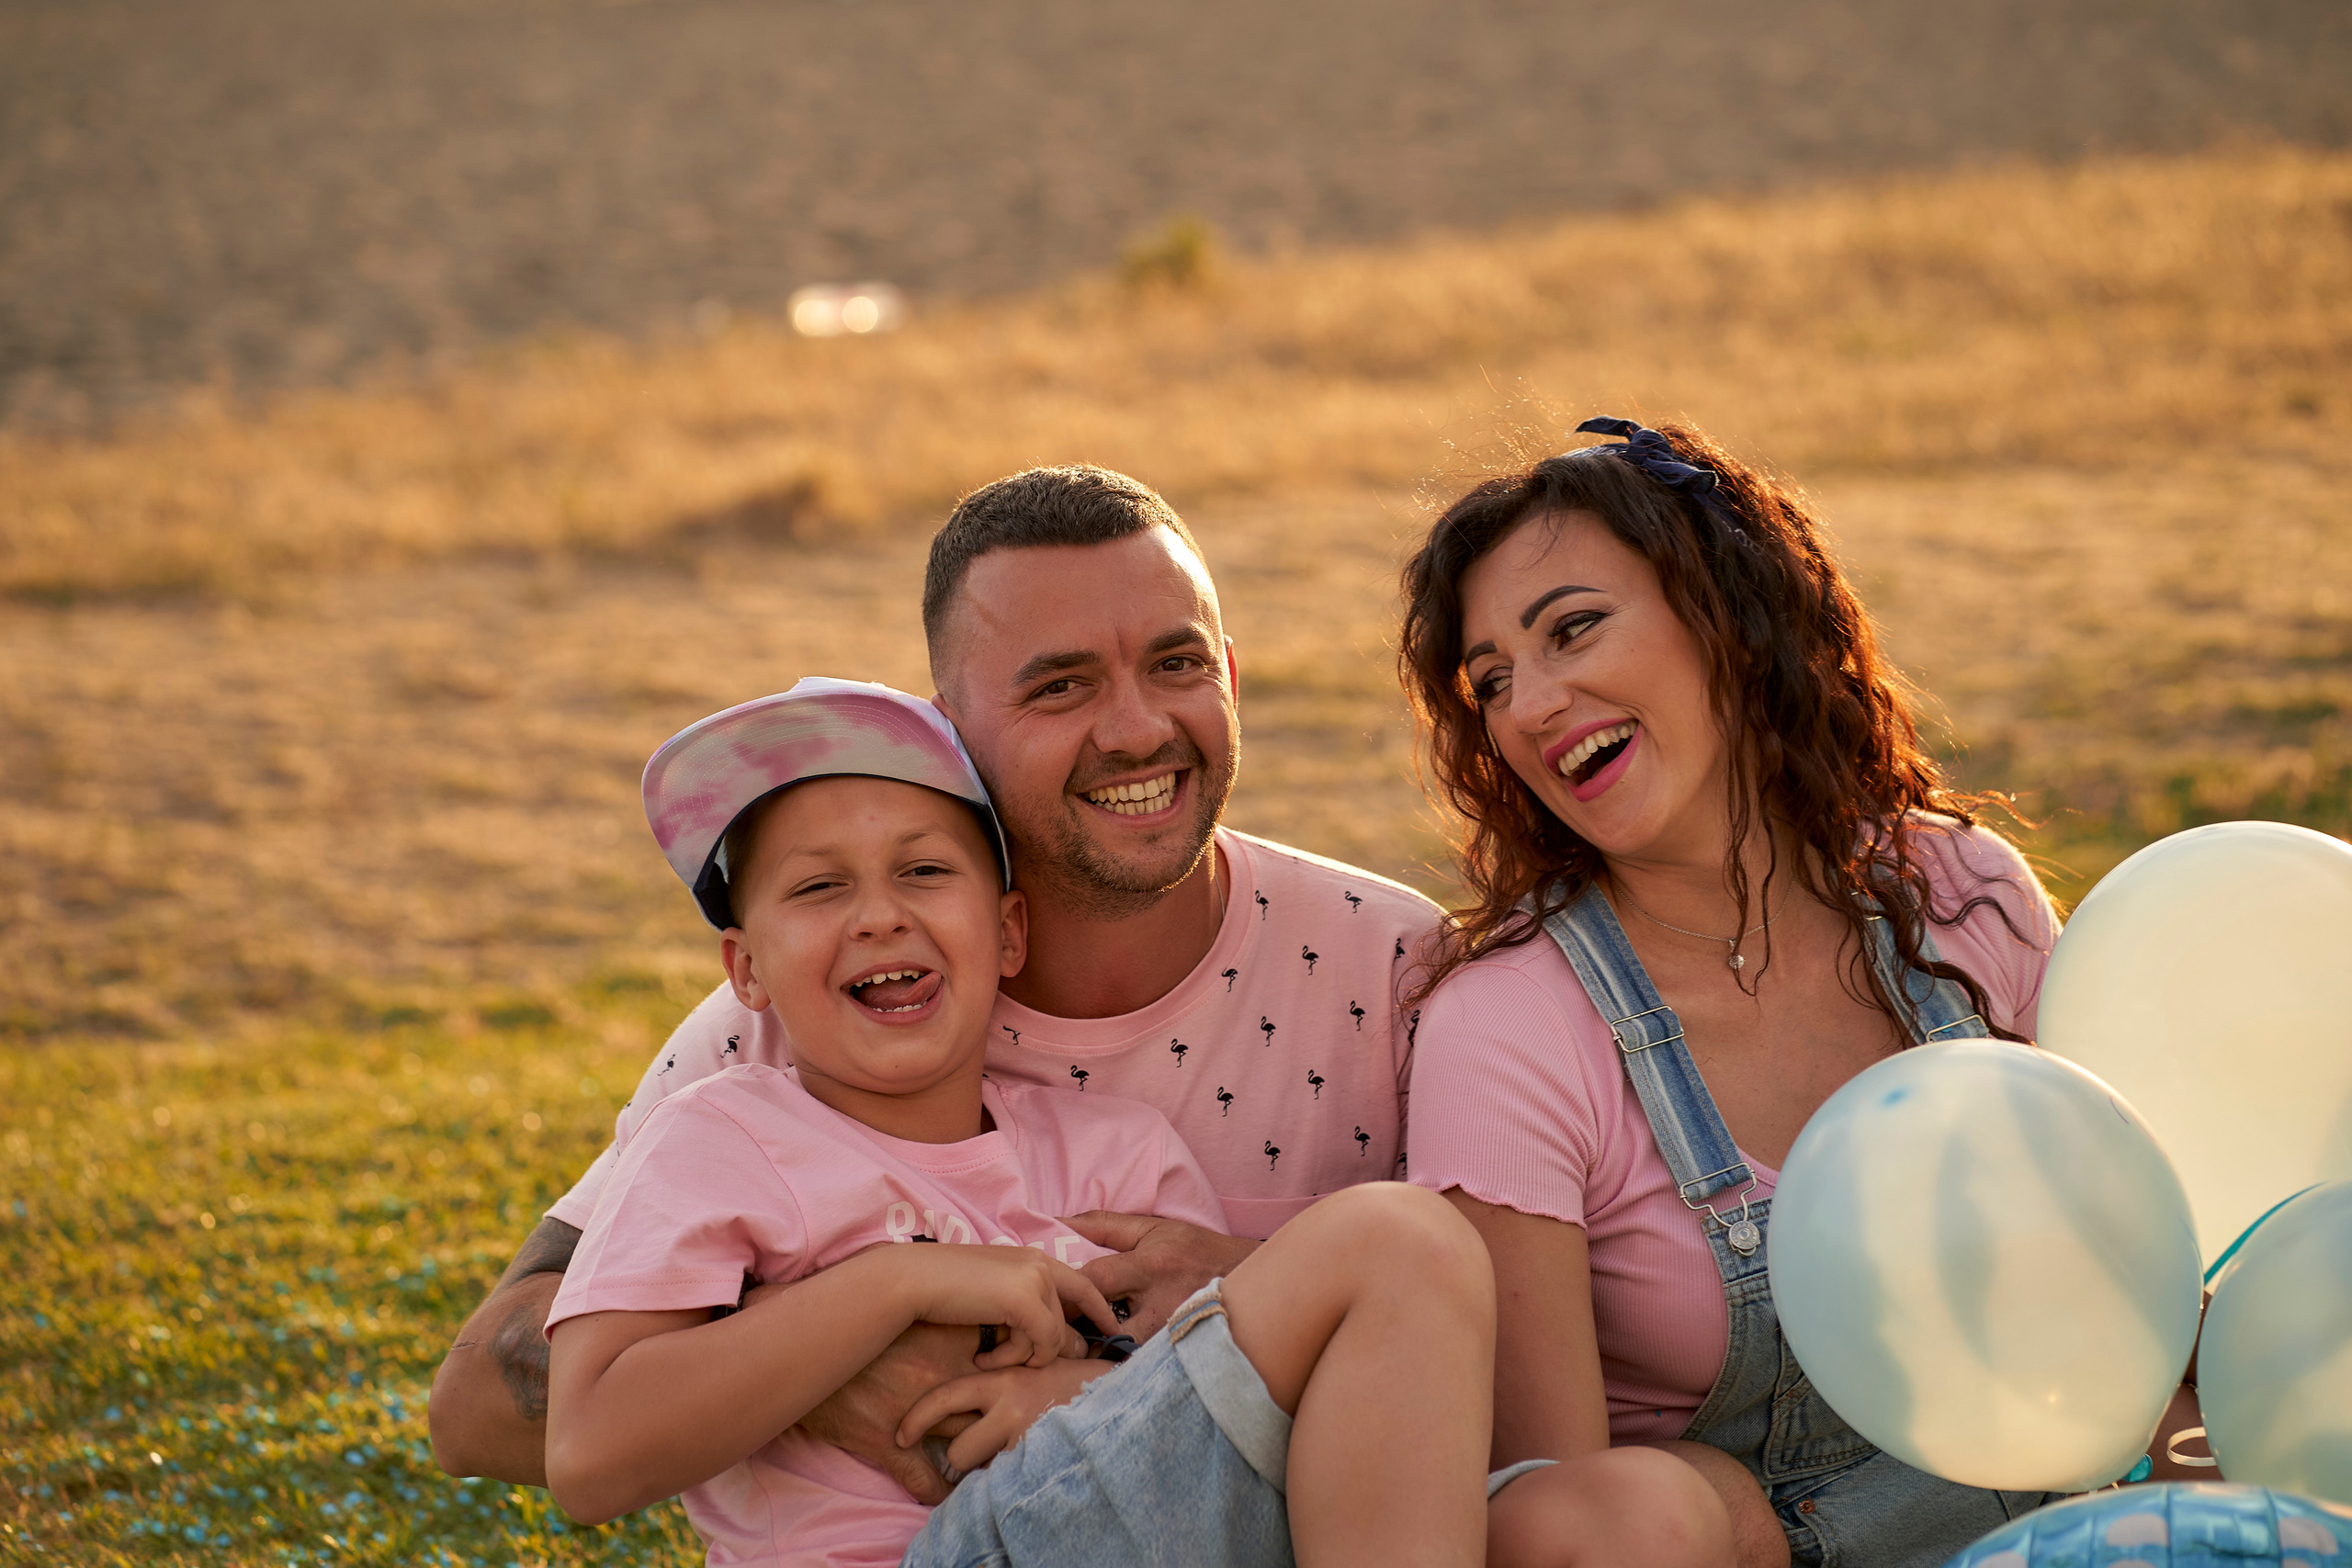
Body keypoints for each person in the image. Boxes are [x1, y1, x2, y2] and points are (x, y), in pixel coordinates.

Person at [431, 467, 1438, 1495]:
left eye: (1177, 664)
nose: (1137, 729)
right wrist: (833, 1357)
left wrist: (1249, 1296)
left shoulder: (1399, 974)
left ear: (1229, 674)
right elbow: (473, 1412)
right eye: (1061, 685)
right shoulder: (798, 1023)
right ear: (947, 728)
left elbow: (1531, 1355)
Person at [544, 678, 1700, 1568]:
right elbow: (589, 1455)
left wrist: (1083, 1398)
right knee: (1398, 1241)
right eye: (816, 888)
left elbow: (1205, 1413)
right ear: (743, 969)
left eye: (922, 872)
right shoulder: (720, 1136)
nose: (879, 918)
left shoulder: (1112, 1154)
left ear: (1007, 933)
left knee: (1636, 1507)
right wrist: (892, 1284)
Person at [1393, 417, 2096, 1568]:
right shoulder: (1506, 1032)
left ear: (1725, 610)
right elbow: (1565, 1520)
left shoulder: (1961, 892)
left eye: (1573, 629)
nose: (1528, 708)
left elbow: (2140, 1276)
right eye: (1491, 683)